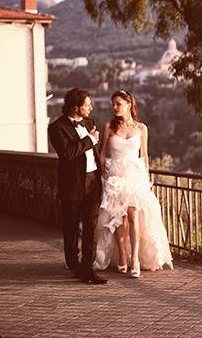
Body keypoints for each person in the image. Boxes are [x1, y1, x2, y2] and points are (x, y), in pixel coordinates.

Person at [94, 89, 173, 277]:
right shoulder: (109, 127)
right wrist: (104, 175)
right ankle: (122, 255)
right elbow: (102, 153)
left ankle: (135, 258)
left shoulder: (141, 128)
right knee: (117, 217)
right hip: (115, 177)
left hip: (135, 177)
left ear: (129, 104)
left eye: (118, 104)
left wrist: (145, 178)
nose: (114, 107)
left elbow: (144, 156)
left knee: (133, 214)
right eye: (113, 104)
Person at [48, 88, 108, 284]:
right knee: (72, 227)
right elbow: (67, 154)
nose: (91, 107)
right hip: (72, 184)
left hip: (93, 182)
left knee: (91, 226)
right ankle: (74, 265)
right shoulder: (56, 128)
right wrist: (89, 139)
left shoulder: (90, 123)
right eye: (87, 105)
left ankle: (87, 267)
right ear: (75, 107)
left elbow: (94, 154)